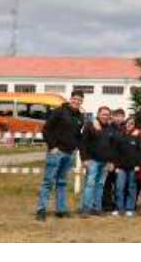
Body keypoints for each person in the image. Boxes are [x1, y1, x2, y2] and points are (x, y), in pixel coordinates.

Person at [36, 90, 85, 221]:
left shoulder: (81, 116)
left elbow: (78, 135)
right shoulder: (59, 111)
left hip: (69, 154)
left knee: (62, 183)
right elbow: (46, 129)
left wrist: (77, 148)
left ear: (82, 102)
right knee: (48, 182)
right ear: (70, 99)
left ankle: (61, 210)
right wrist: (52, 147)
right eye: (74, 99)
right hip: (56, 153)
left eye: (79, 100)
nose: (76, 101)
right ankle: (41, 210)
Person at [80, 106, 116, 217]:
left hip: (105, 162)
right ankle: (86, 209)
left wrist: (111, 161)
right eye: (103, 114)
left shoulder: (110, 128)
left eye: (107, 114)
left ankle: (97, 208)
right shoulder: (90, 126)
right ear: (98, 114)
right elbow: (83, 143)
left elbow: (112, 146)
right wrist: (84, 159)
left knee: (100, 185)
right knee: (90, 185)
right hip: (92, 161)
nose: (105, 116)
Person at [112, 116, 141, 217]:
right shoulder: (120, 135)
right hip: (121, 167)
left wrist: (138, 165)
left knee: (132, 188)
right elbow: (116, 152)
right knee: (119, 187)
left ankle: (130, 208)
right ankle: (119, 208)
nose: (129, 125)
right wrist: (116, 166)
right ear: (125, 124)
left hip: (133, 167)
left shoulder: (138, 135)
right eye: (128, 123)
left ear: (134, 125)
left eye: (132, 123)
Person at [102, 108, 128, 212]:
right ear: (112, 117)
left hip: (122, 162)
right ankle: (107, 205)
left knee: (120, 186)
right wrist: (109, 161)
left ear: (123, 117)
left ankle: (119, 205)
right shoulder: (108, 128)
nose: (118, 118)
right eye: (116, 116)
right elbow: (106, 147)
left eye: (121, 116)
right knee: (107, 185)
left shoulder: (125, 129)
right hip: (109, 162)